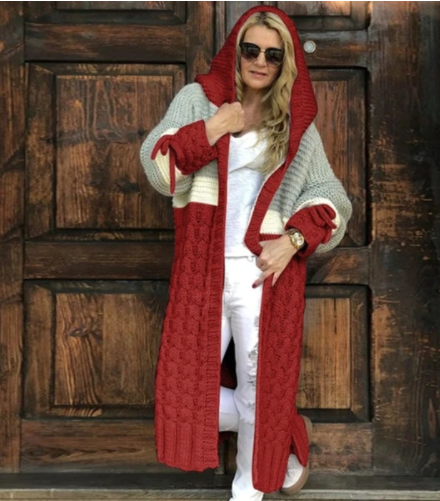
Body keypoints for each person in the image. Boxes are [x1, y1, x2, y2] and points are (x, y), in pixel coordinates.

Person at [139, 5, 352, 501]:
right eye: (251, 50)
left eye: (273, 55)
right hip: (202, 272)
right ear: (236, 52)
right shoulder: (197, 100)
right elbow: (158, 169)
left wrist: (293, 241)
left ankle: (247, 493)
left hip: (264, 276)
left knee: (260, 389)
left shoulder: (295, 124)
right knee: (181, 393)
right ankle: (285, 427)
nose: (260, 61)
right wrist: (214, 128)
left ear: (285, 63)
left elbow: (333, 201)